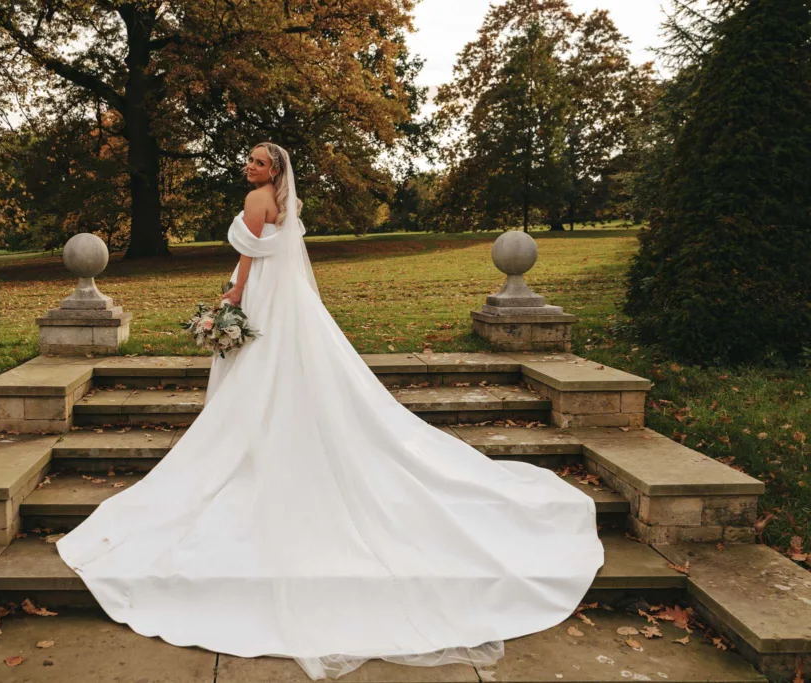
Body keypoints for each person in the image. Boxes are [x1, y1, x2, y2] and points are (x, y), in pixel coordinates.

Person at [56, 142, 605, 680]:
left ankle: (261, 449)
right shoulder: (290, 201)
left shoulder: (256, 202)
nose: (248, 167)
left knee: (262, 375)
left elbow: (247, 258)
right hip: (291, 297)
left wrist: (231, 298)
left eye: (258, 162)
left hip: (265, 292)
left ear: (274, 170)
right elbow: (284, 248)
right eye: (249, 160)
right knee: (296, 370)